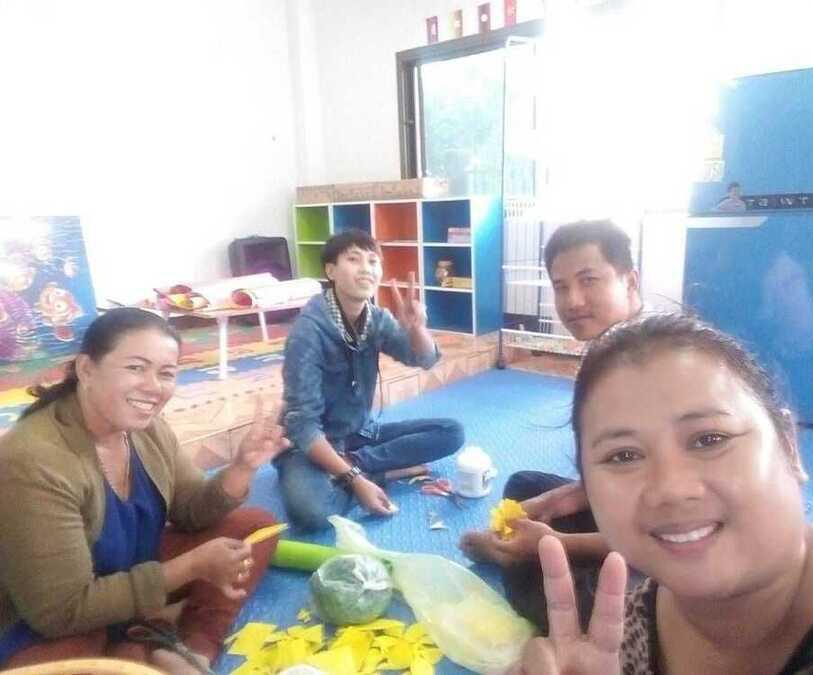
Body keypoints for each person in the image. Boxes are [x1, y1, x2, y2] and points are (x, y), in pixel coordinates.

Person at [503, 313, 813, 674]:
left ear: (789, 446)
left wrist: (559, 542)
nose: (671, 489)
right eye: (623, 455)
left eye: (709, 439)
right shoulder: (628, 628)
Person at [0, 308, 289, 674]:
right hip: (49, 619)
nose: (154, 387)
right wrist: (190, 567)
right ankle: (145, 640)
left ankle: (194, 647)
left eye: (166, 373)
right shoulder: (34, 459)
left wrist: (243, 467)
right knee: (80, 657)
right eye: (136, 368)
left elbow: (190, 510)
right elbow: (61, 612)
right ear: (86, 369)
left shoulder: (146, 428)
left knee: (253, 527)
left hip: (130, 573)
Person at [460, 219, 642, 632]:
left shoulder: (645, 368)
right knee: (525, 487)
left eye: (589, 280)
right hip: (627, 513)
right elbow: (617, 477)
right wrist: (556, 502)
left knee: (585, 607)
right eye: (561, 286)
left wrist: (555, 543)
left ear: (630, 282)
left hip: (668, 547)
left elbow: (663, 528)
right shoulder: (607, 353)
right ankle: (523, 556)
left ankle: (516, 561)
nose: (573, 301)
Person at [276, 229, 465, 531]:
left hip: (359, 433)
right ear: (331, 271)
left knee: (451, 432)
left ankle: (356, 464)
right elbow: (302, 425)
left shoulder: (376, 319)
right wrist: (358, 482)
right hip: (311, 443)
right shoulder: (308, 332)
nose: (366, 268)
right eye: (354, 259)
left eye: (373, 261)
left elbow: (425, 359)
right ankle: (375, 472)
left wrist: (417, 327)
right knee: (312, 513)